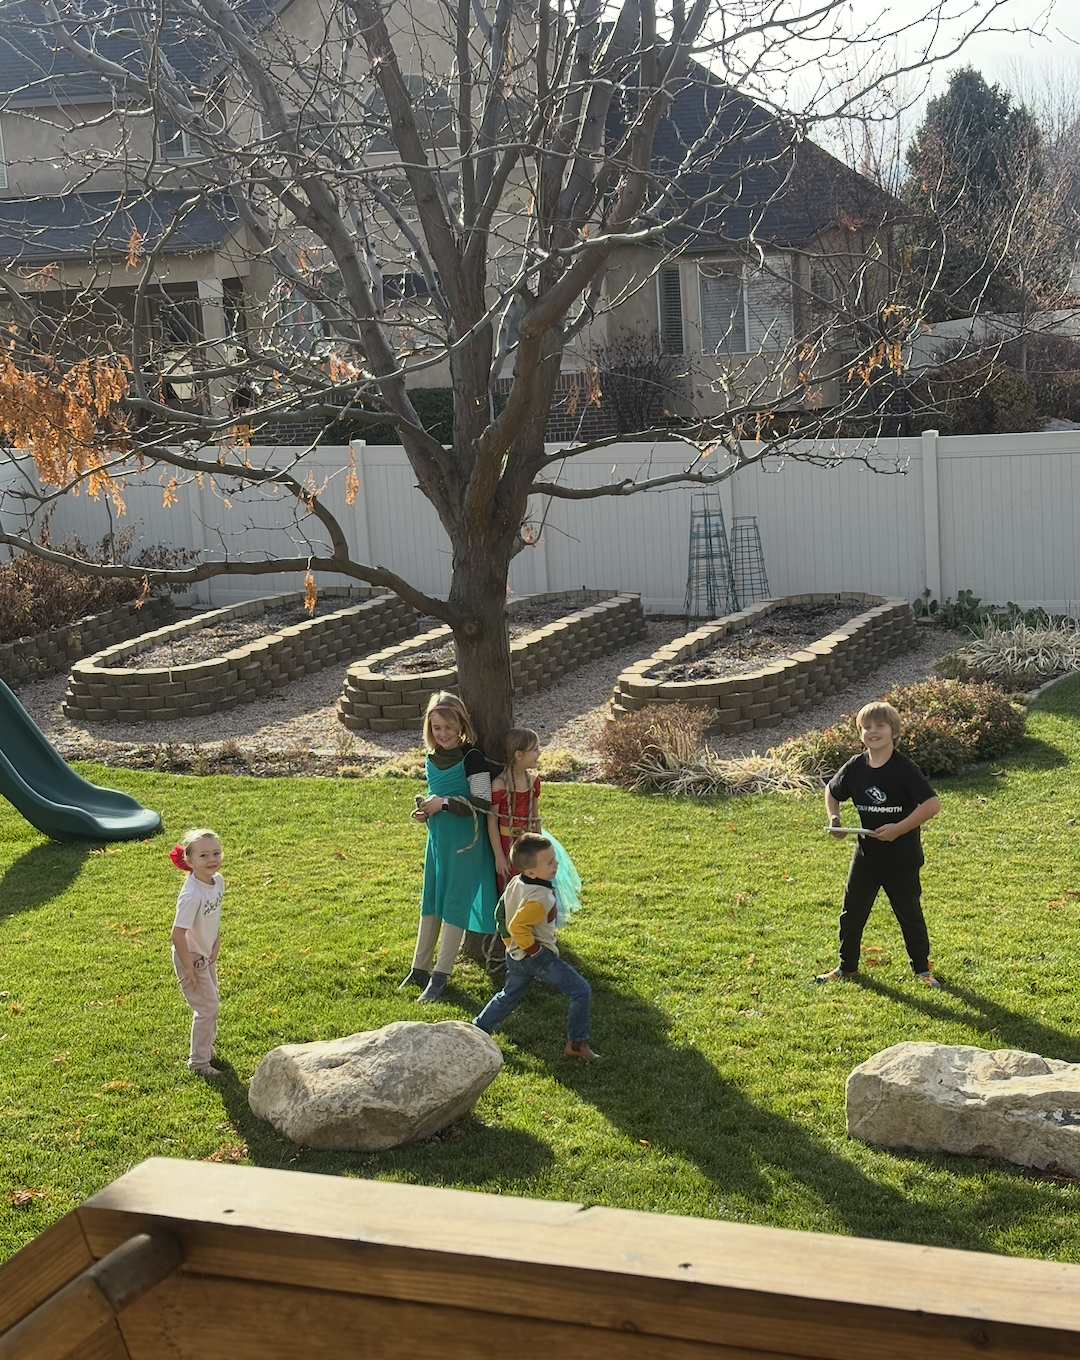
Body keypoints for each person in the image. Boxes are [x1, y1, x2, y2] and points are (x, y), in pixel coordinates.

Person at [816, 701, 942, 987]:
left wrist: (898, 829)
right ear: (861, 733)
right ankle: (846, 967)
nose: (873, 731)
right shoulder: (855, 766)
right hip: (867, 856)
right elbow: (832, 791)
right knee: (852, 913)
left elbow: (932, 804)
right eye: (867, 727)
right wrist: (834, 818)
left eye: (880, 726)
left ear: (894, 731)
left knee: (909, 914)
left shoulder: (904, 768)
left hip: (901, 857)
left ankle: (922, 970)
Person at [400, 691, 498, 1003]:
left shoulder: (472, 758)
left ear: (461, 725)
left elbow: (482, 803)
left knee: (455, 903)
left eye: (449, 727)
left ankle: (441, 975)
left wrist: (442, 803)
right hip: (438, 841)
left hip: (465, 844)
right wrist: (427, 811)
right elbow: (436, 792)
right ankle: (419, 968)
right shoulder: (431, 757)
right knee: (430, 900)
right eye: (437, 727)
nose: (443, 734)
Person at [473, 833, 599, 1059]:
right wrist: (536, 953)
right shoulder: (540, 897)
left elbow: (500, 914)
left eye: (554, 858)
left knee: (508, 995)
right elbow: (517, 925)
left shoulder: (516, 882)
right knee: (580, 991)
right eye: (549, 862)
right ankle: (576, 1046)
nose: (556, 864)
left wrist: (511, 945)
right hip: (537, 957)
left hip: (515, 955)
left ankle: (477, 1029)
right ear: (531, 872)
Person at [488, 727, 582, 924]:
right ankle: (511, 927)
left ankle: (535, 925)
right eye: (534, 749)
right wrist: (499, 856)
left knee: (535, 882)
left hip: (529, 842)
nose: (539, 753)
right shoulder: (500, 785)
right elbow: (492, 821)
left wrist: (542, 848)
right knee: (511, 885)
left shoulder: (533, 782)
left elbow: (535, 817)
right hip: (506, 844)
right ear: (519, 755)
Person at [169, 828, 225, 1076]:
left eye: (216, 853)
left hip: (206, 953)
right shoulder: (191, 895)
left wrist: (215, 940)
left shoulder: (217, 881)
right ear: (189, 861)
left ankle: (206, 1049)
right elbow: (177, 934)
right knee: (207, 1008)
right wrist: (188, 968)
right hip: (191, 957)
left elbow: (212, 916)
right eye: (203, 855)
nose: (212, 859)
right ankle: (199, 1062)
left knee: (211, 1002)